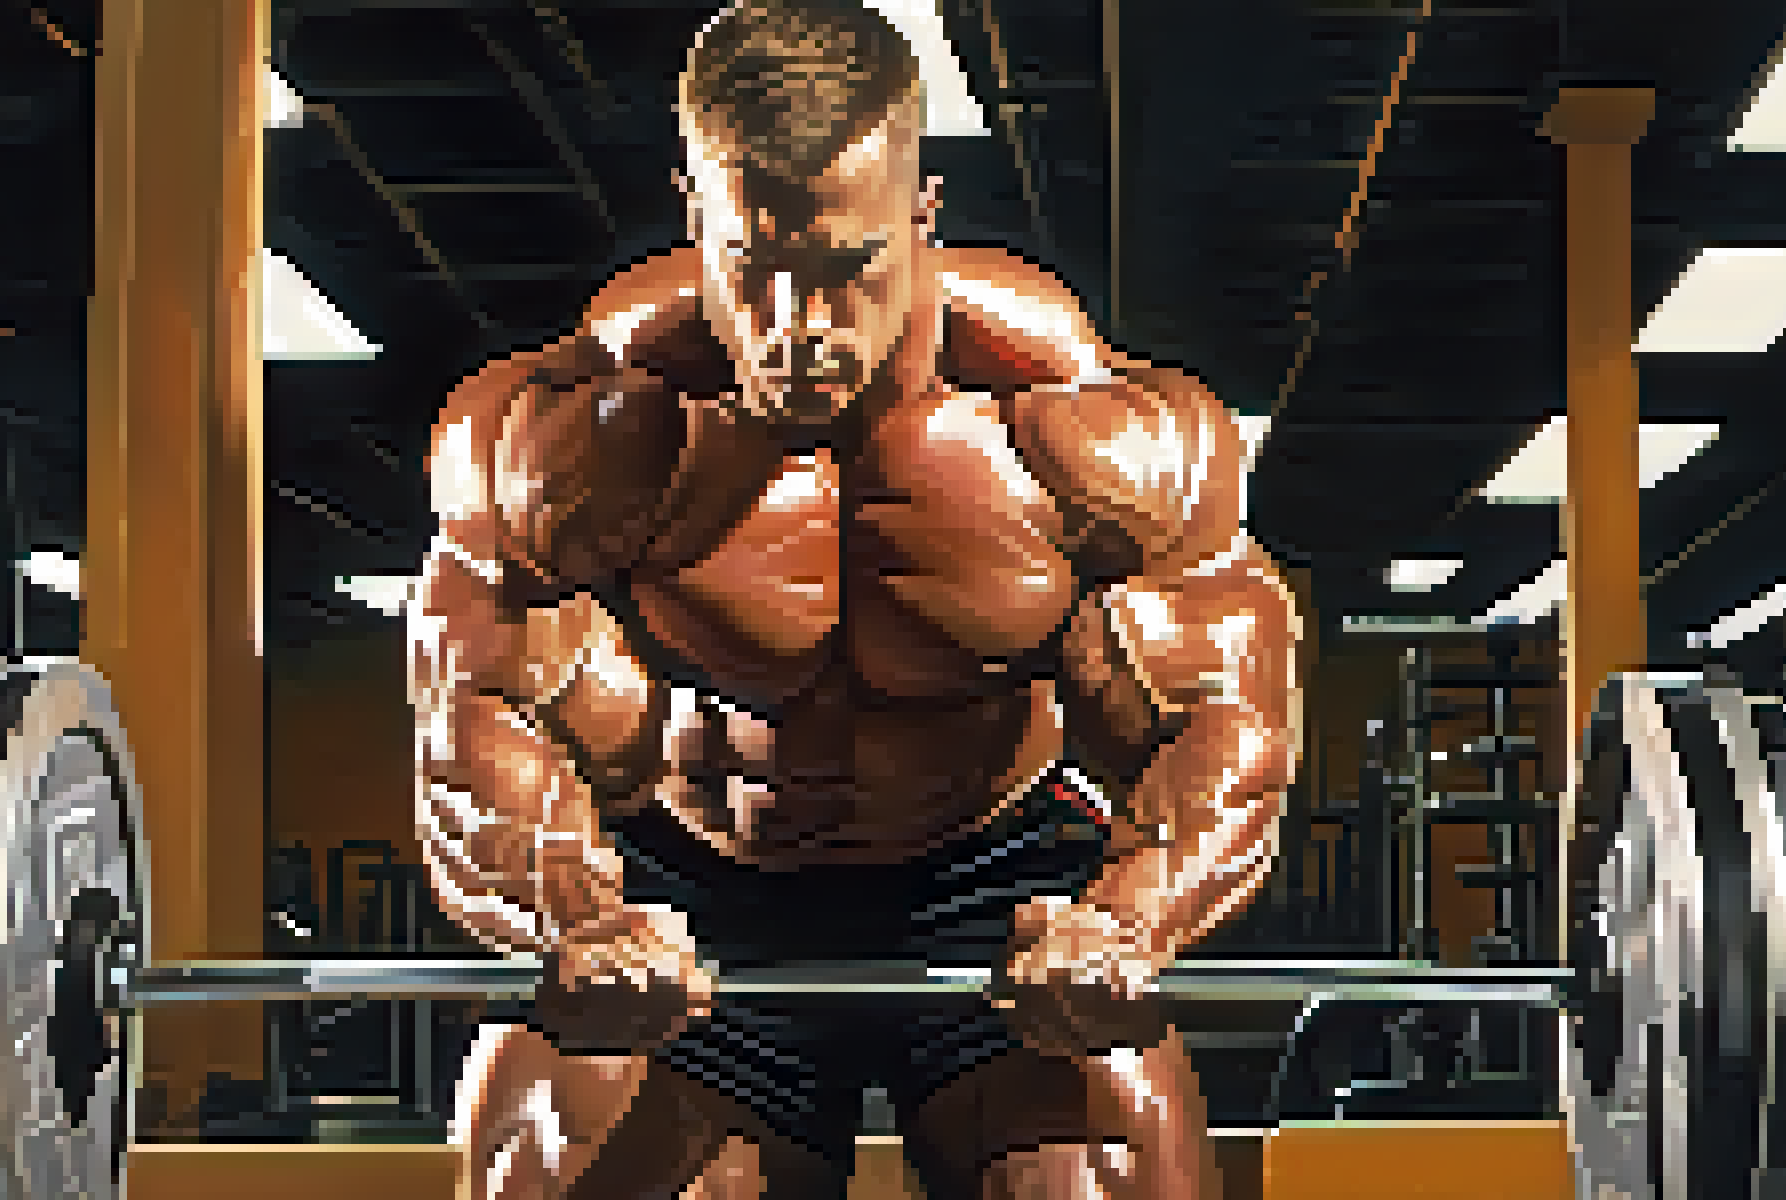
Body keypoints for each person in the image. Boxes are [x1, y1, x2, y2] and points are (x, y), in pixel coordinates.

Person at [409, 1, 1302, 1196]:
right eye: (756, 270)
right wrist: (571, 913)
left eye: (846, 270)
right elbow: (474, 706)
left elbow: (1227, 710)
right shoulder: (586, 434)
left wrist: (1131, 917)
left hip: (995, 890)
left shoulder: (1068, 429)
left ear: (921, 212)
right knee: (545, 1173)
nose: (799, 330)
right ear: (695, 215)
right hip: (700, 895)